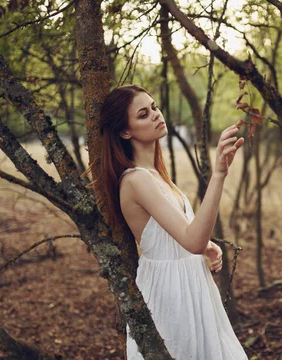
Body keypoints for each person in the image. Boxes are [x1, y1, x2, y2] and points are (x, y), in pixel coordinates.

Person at [96, 85, 247, 359]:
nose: (156, 114)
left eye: (154, 107)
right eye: (143, 114)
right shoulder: (136, 179)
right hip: (170, 295)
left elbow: (178, 236)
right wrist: (219, 174)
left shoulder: (156, 175)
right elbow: (192, 240)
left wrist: (206, 247)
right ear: (125, 131)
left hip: (193, 286)